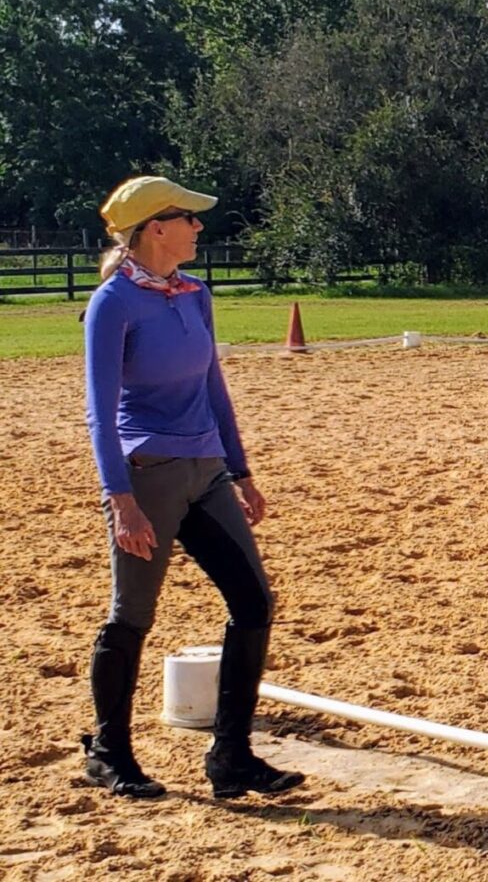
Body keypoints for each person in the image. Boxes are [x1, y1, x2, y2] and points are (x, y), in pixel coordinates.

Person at [81, 175, 304, 800]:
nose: (199, 228)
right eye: (188, 219)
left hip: (206, 471)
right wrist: (119, 498)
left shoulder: (194, 294)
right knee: (132, 615)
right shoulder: (113, 303)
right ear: (156, 227)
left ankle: (231, 756)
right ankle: (108, 752)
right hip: (146, 476)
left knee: (253, 601)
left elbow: (214, 388)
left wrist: (241, 471)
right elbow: (99, 410)